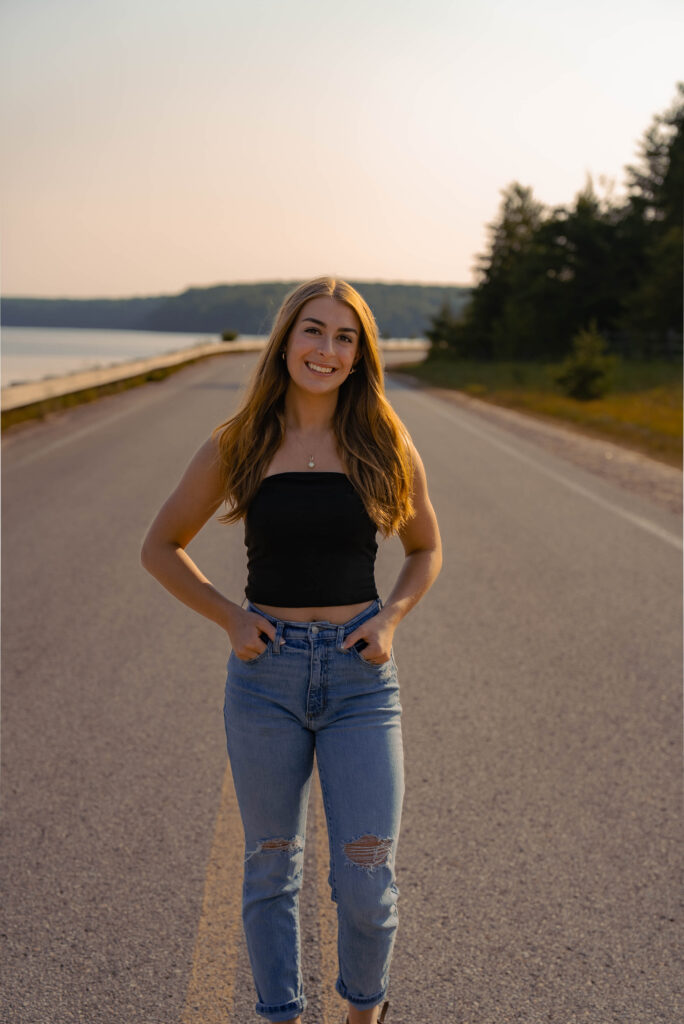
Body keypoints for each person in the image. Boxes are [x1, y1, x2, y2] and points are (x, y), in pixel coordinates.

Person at [141, 277, 442, 1024]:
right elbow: (161, 546)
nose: (327, 349)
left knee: (367, 883)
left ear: (358, 355)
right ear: (286, 340)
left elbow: (426, 548)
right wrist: (229, 619)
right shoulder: (241, 440)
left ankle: (362, 1013)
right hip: (265, 682)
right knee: (271, 870)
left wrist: (393, 618)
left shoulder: (383, 440)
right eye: (314, 331)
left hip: (360, 680)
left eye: (346, 338)